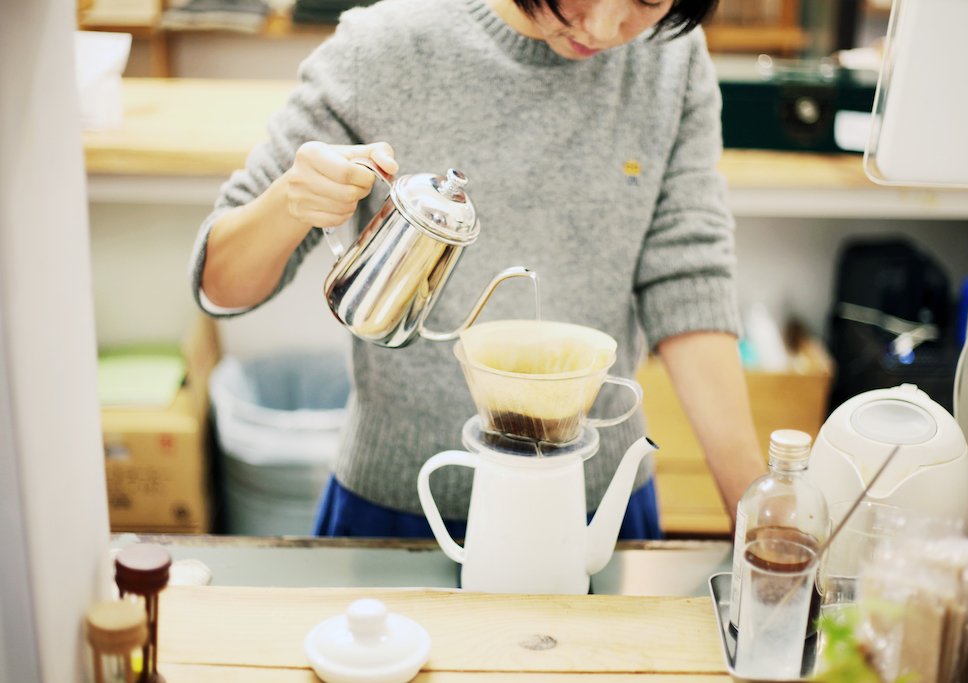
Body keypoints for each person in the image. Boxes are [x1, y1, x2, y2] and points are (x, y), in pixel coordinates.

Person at [190, 0, 767, 539]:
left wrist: (760, 516)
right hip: (398, 504)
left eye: (647, 0)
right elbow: (221, 283)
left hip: (596, 507)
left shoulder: (674, 59)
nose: (601, 27)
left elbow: (689, 279)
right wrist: (291, 200)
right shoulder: (385, 45)